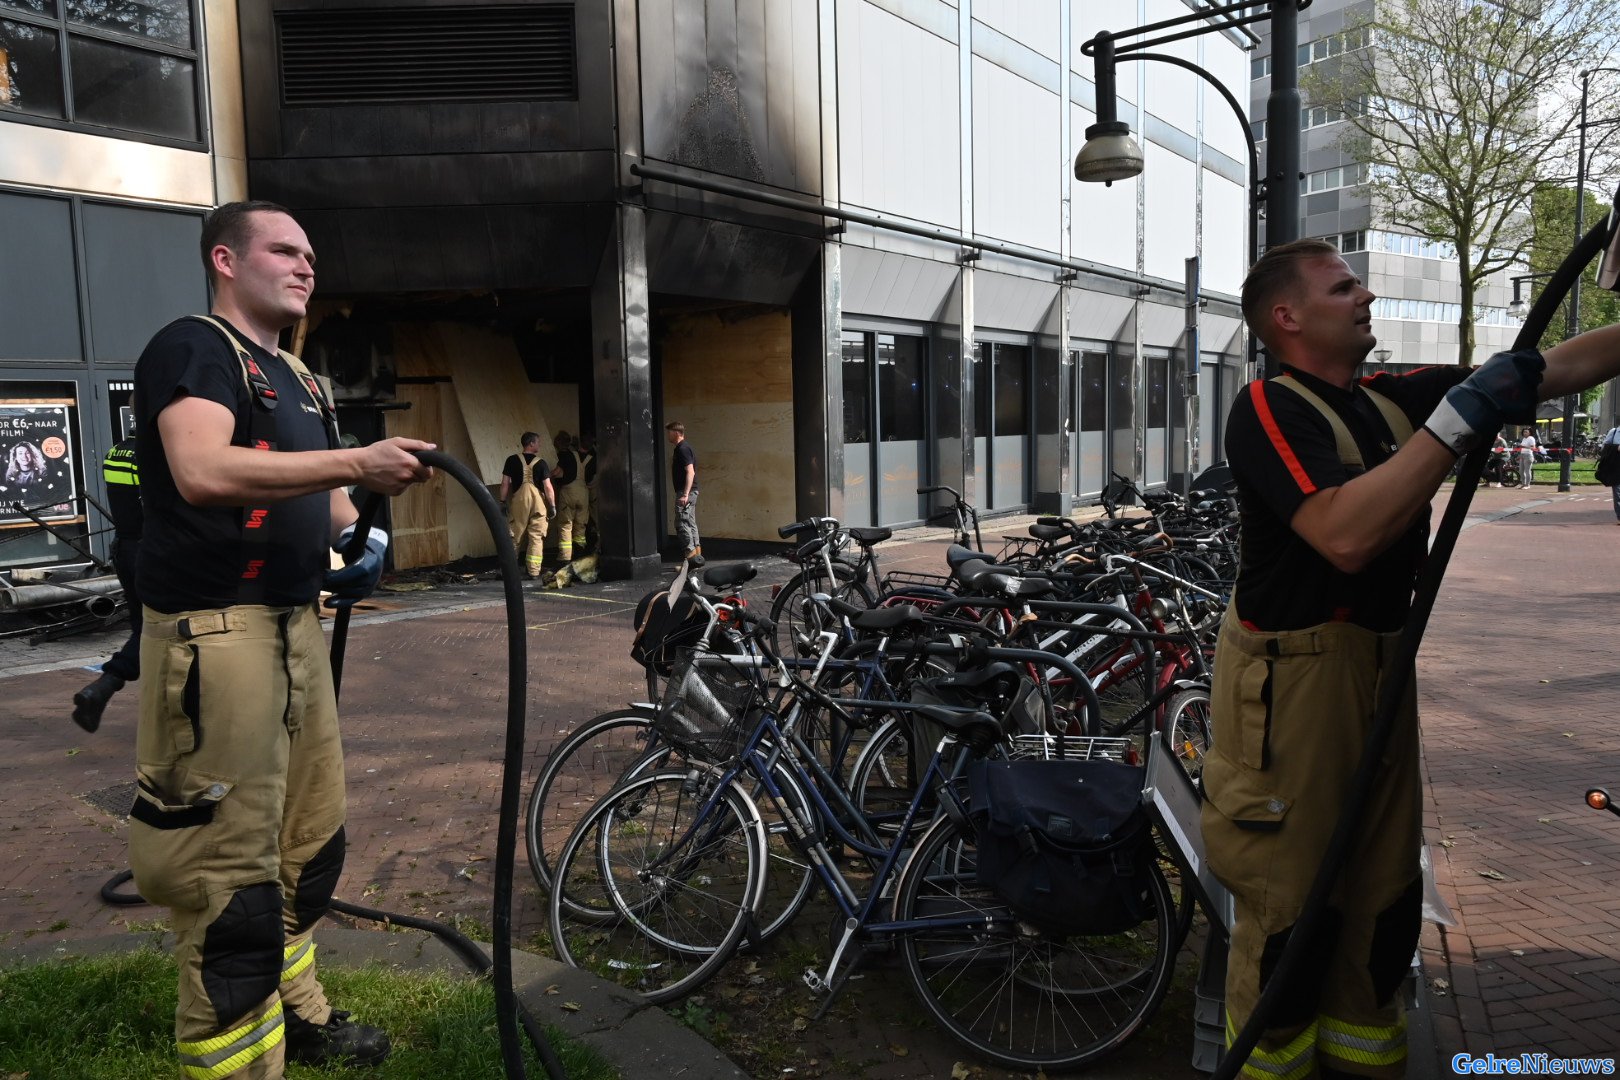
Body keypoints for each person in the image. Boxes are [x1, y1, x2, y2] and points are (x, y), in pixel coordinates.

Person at [1206, 237, 1620, 1080]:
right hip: (1294, 685)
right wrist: (1457, 422)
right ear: (1287, 318)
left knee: (1382, 901)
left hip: (1380, 668)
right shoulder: (1269, 409)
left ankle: (1365, 1060)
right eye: (1342, 287)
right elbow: (1344, 535)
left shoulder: (1388, 399)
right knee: (1294, 911)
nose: (1365, 296)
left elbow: (1551, 366)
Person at [129, 200, 433, 1078]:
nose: (306, 266)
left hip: (296, 629)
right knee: (227, 876)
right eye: (285, 250)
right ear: (224, 260)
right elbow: (200, 469)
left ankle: (296, 1015)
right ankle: (235, 1064)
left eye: (311, 256)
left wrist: (360, 535)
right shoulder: (193, 349)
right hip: (218, 635)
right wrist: (357, 463)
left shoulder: (299, 376)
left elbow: (327, 501)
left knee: (306, 849)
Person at [72, 435, 142, 732]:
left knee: (143, 626)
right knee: (159, 629)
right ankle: (108, 682)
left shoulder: (118, 450)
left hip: (125, 548)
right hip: (152, 549)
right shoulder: (153, 451)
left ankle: (106, 686)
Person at [498, 432, 555, 579]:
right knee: (536, 536)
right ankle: (534, 572)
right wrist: (552, 506)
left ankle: (509, 572)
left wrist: (502, 501)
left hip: (519, 502)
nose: (539, 444)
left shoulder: (511, 460)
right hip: (538, 503)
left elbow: (505, 483)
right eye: (537, 442)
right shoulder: (541, 463)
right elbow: (548, 487)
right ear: (531, 443)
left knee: (515, 536)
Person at [549, 430, 593, 563]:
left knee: (565, 525)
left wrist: (545, 477)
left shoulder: (568, 456)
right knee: (581, 525)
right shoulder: (592, 459)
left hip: (568, 493)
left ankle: (565, 557)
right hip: (584, 494)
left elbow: (556, 473)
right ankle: (579, 555)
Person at [666, 420, 702, 567]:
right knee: (690, 522)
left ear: (676, 433)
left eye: (669, 432)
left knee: (682, 523)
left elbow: (690, 471)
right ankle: (697, 559)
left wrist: (685, 494)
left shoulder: (683, 449)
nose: (668, 435)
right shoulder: (682, 448)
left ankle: (690, 561)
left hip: (686, 492)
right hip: (690, 491)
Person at [1601, 423, 1620, 523]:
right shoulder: (1614, 432)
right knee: (1617, 492)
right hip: (1616, 466)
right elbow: (1604, 447)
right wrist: (1616, 448)